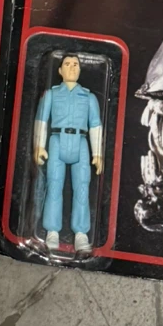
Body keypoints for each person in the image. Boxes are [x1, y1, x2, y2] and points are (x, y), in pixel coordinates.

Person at [34, 53, 103, 254]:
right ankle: (52, 232)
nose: (72, 68)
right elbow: (41, 120)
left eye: (75, 64)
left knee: (82, 186)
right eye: (67, 64)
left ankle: (81, 234)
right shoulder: (52, 94)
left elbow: (95, 125)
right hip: (57, 140)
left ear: (80, 70)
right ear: (60, 70)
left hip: (81, 143)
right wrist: (38, 146)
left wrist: (98, 153)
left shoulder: (89, 97)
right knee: (54, 184)